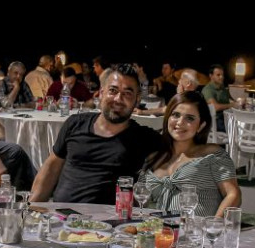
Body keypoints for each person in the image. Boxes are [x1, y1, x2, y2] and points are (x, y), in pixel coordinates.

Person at [30, 64, 162, 204]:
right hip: (62, 214)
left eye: (127, 93)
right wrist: (31, 207)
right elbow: (51, 170)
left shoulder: (143, 137)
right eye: (113, 90)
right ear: (101, 93)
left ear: (137, 99)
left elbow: (176, 154)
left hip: (108, 217)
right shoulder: (75, 124)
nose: (118, 98)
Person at [140, 92, 241, 217]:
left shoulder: (212, 154)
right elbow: (139, 198)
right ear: (168, 118)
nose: (180, 122)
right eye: (176, 115)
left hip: (198, 228)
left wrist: (214, 224)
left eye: (190, 118)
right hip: (158, 228)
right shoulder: (154, 157)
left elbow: (233, 194)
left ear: (201, 125)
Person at [200, 64, 233, 132]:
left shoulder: (223, 88)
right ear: (211, 76)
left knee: (243, 122)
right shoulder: (208, 90)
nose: (221, 77)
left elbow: (230, 100)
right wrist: (232, 105)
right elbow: (215, 107)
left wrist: (239, 102)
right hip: (216, 120)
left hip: (227, 117)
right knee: (237, 128)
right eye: (218, 75)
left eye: (222, 75)